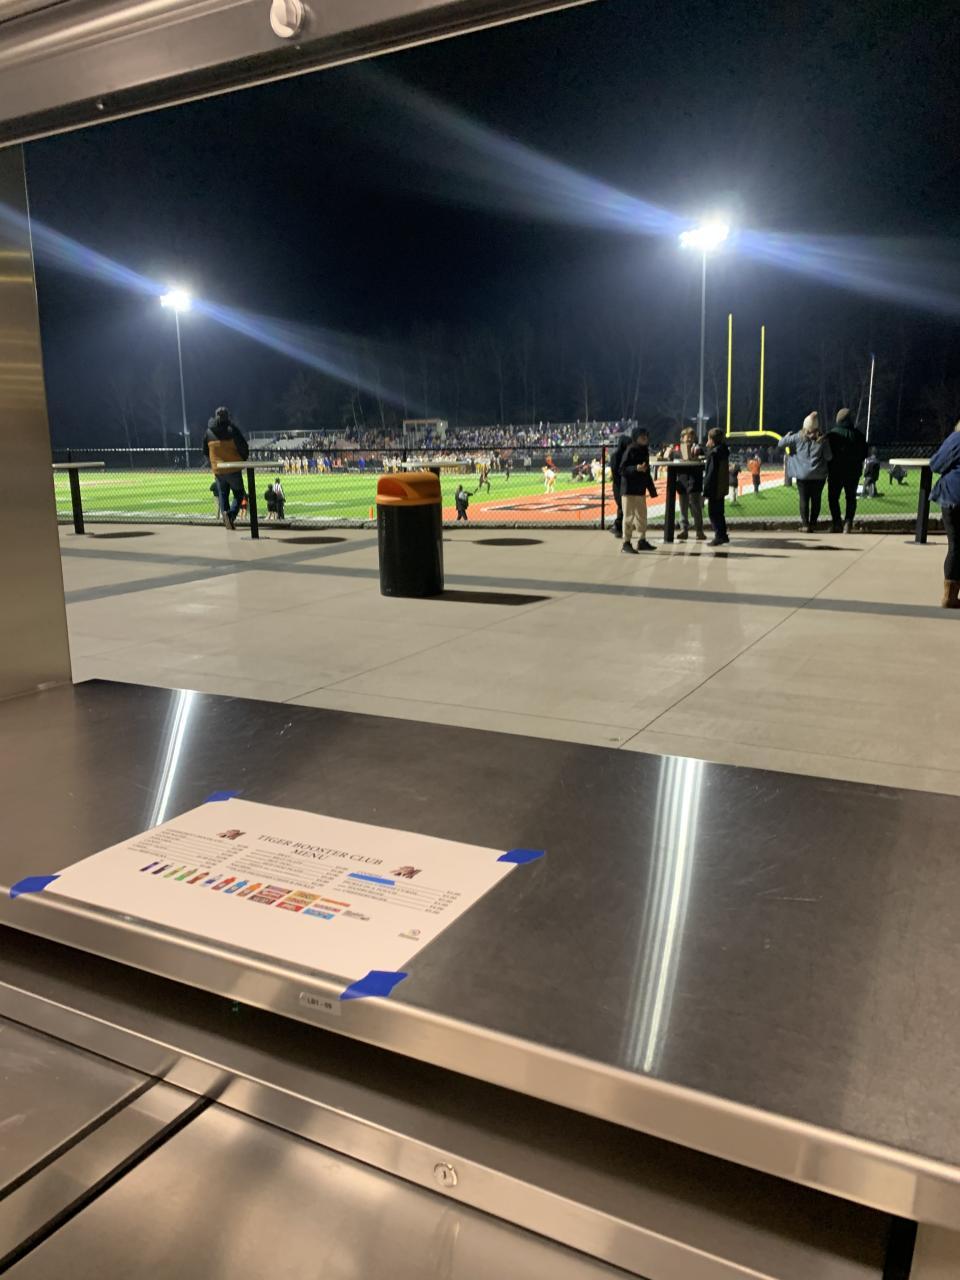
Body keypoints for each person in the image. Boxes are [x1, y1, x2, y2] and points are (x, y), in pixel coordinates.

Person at [778, 412, 832, 532]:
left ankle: (805, 525)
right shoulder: (823, 440)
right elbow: (829, 457)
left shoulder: (798, 437)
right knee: (816, 500)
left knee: (804, 499)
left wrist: (786, 436)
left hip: (802, 475)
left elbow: (780, 443)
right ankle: (813, 523)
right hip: (819, 476)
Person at [203, 405, 249, 530]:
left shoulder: (208, 432)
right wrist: (243, 458)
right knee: (239, 494)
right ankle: (231, 515)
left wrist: (213, 463)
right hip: (233, 467)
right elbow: (243, 446)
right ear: (227, 416)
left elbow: (205, 451)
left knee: (223, 495)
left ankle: (226, 519)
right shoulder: (232, 430)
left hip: (218, 469)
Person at [930, 420, 960, 608]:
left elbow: (936, 464)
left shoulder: (956, 439)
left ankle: (949, 595)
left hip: (953, 497)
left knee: (955, 545)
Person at [826, 407, 868, 532]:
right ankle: (848, 523)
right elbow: (864, 454)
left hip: (835, 471)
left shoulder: (832, 434)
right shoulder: (859, 435)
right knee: (850, 497)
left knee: (833, 498)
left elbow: (826, 454)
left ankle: (836, 523)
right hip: (853, 472)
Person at [619, 426, 656, 554]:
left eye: (646, 436)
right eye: (642, 436)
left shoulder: (644, 450)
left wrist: (652, 490)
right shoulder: (631, 449)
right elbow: (622, 469)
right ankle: (626, 542)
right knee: (628, 517)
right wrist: (635, 468)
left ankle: (642, 540)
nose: (645, 438)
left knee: (642, 516)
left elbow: (646, 472)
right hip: (629, 489)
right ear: (636, 438)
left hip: (640, 489)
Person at [669, 427, 705, 541]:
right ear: (682, 438)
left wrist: (696, 453)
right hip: (682, 482)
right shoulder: (678, 450)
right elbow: (673, 459)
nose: (689, 439)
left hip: (694, 481)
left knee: (696, 507)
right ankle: (683, 530)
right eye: (687, 437)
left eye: (691, 437)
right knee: (683, 508)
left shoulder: (698, 448)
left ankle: (699, 531)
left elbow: (702, 456)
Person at [703, 427, 730, 546]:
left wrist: (706, 490)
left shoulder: (714, 454)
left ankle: (719, 536)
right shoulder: (723, 451)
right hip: (721, 486)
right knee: (719, 512)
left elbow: (711, 474)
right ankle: (723, 535)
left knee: (713, 513)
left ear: (712, 440)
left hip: (714, 487)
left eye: (708, 439)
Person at [609, 432, 630, 538]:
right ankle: (617, 526)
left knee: (623, 507)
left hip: (623, 483)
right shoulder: (616, 456)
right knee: (622, 506)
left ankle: (619, 528)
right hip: (618, 485)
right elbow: (615, 472)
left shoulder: (626, 455)